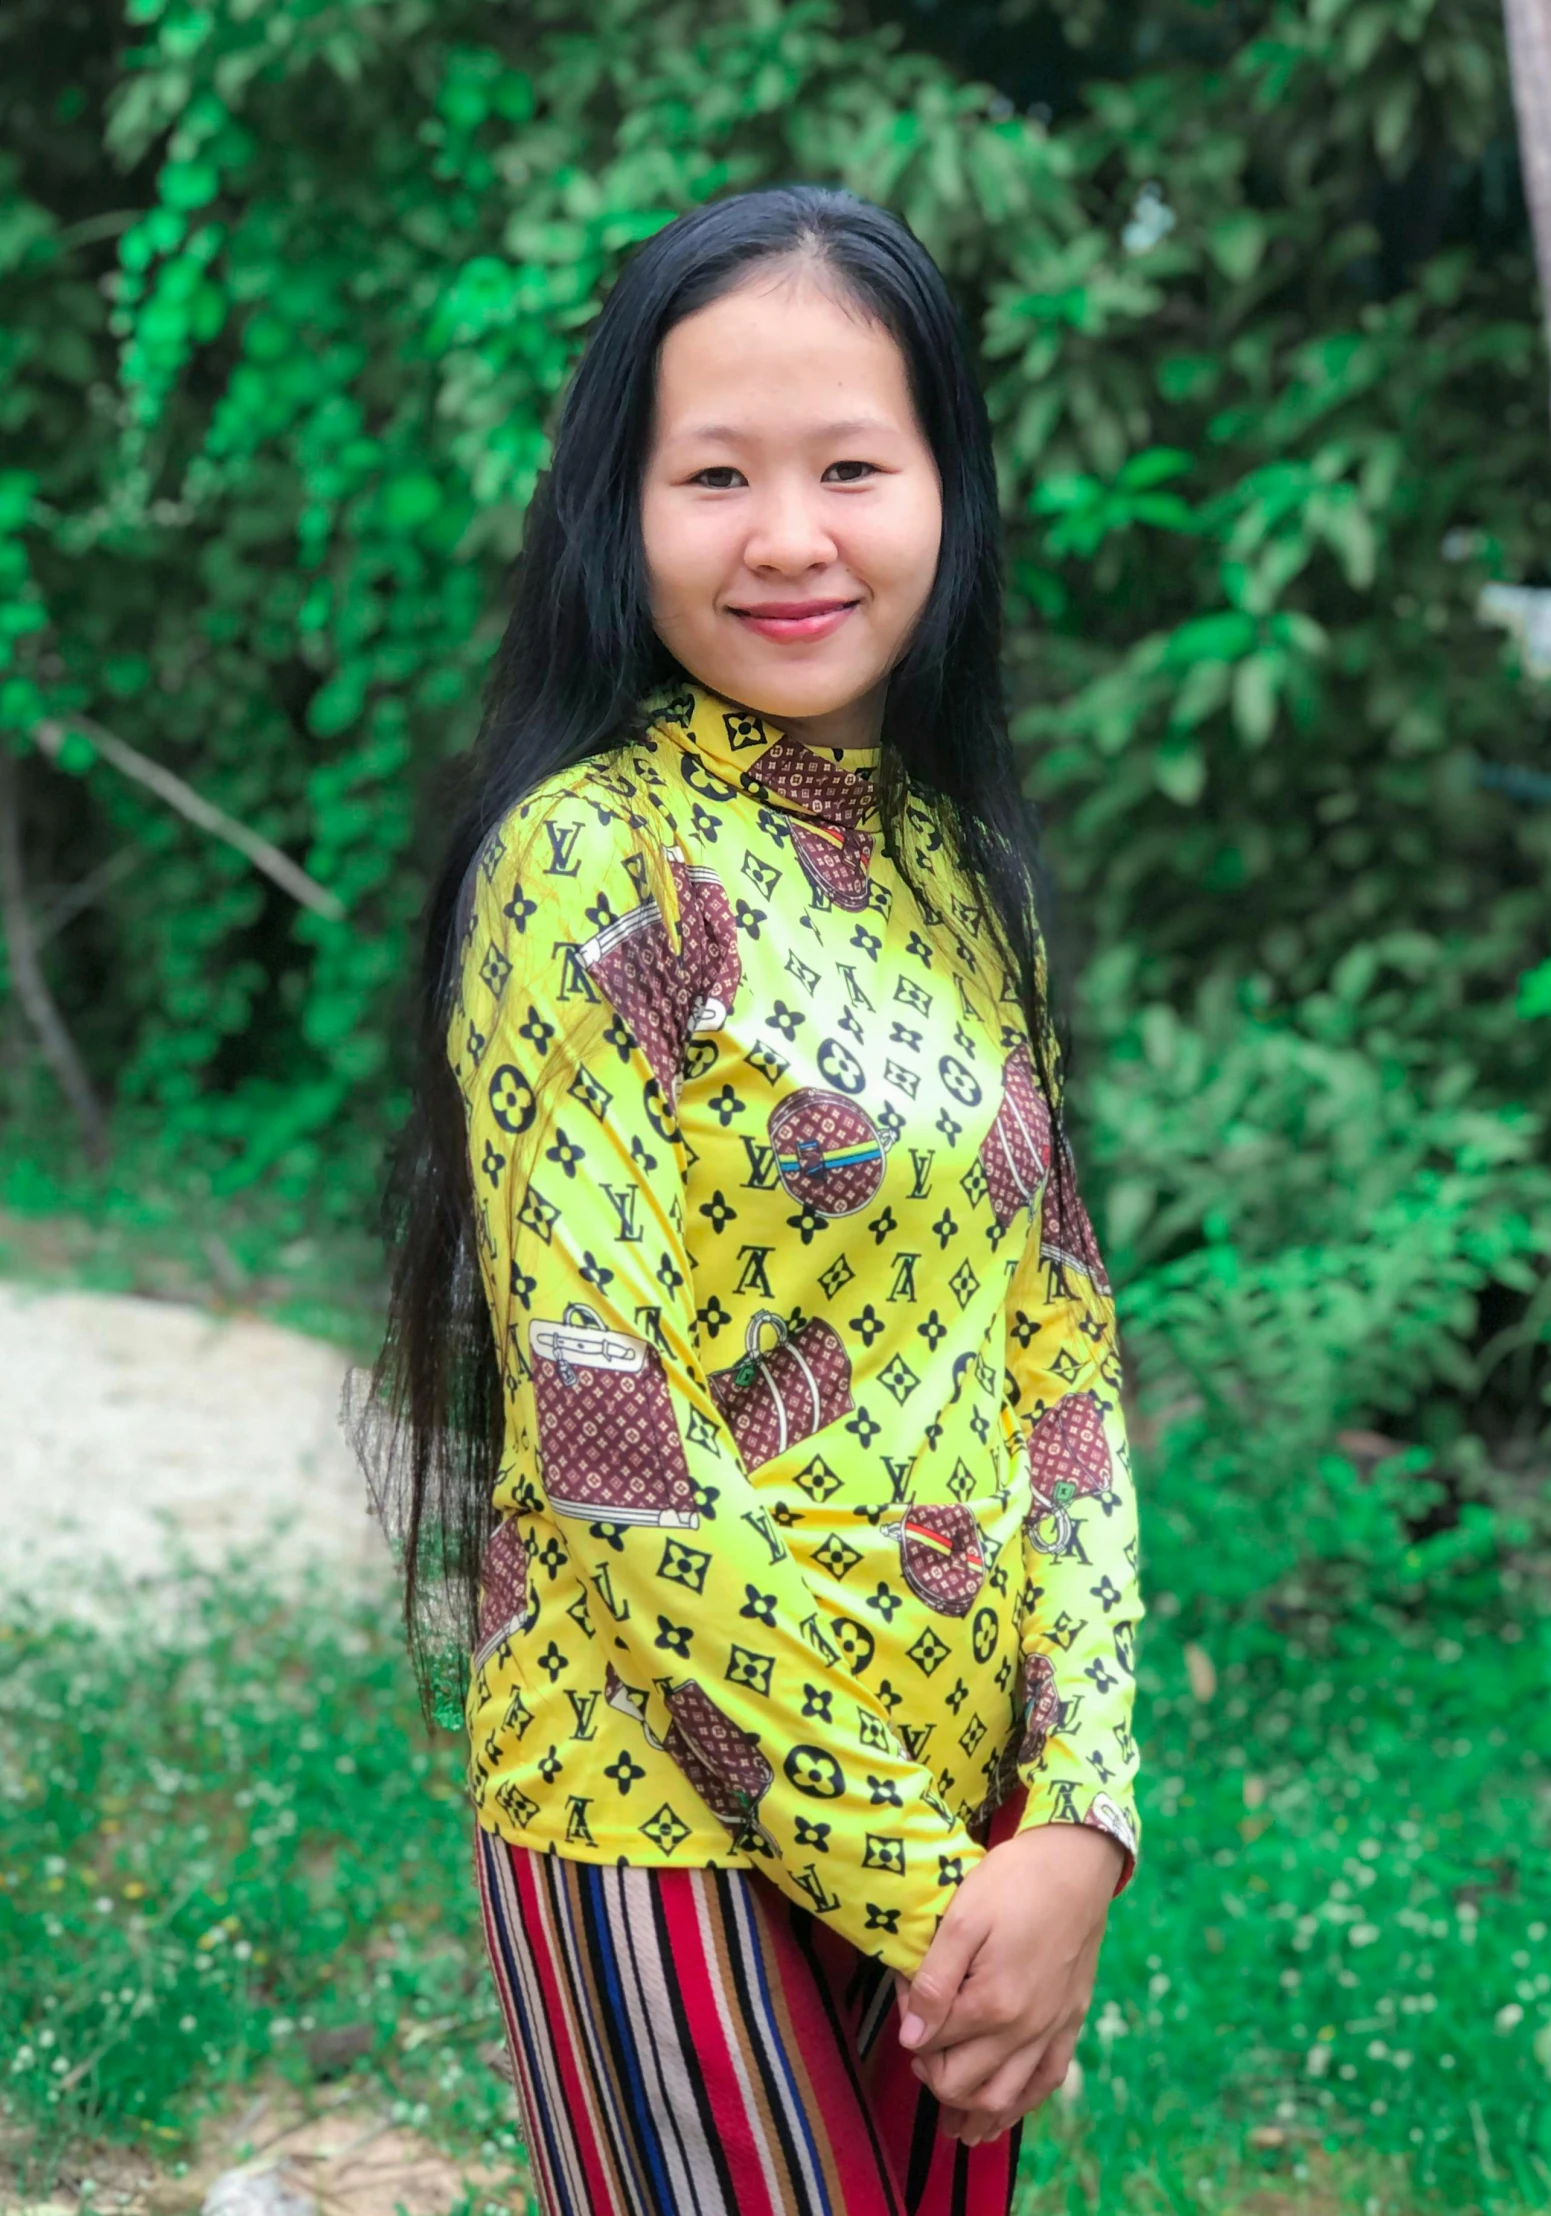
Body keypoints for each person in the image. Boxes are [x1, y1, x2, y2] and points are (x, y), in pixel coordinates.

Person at [360, 183, 1144, 2216]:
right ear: (616, 514)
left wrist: (1075, 1823)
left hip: (974, 1826)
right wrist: (934, 1888)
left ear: (948, 497)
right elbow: (611, 1444)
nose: (787, 535)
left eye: (850, 467)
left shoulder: (965, 883)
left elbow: (1060, 1355)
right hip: (654, 1812)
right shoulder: (587, 864)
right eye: (714, 472)